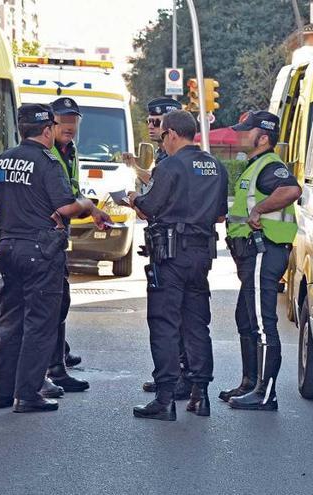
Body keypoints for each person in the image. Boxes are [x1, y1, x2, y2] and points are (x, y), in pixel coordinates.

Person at [0, 104, 106, 413]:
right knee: (40, 324)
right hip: (41, 252)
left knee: (11, 323)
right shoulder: (47, 162)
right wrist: (86, 202)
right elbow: (66, 207)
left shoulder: (4, 160)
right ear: (47, 131)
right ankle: (27, 395)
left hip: (9, 249)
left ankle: (1, 393)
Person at [128, 110, 228, 421]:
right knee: (196, 324)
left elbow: (149, 207)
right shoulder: (216, 167)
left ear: (171, 134)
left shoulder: (169, 166)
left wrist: (133, 198)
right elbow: (221, 215)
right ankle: (200, 396)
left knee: (165, 325)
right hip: (201, 256)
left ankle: (165, 398)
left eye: (164, 134)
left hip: (170, 255)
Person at [224, 111, 301, 411]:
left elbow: (292, 189)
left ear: (263, 137)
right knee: (246, 317)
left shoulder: (271, 166)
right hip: (251, 253)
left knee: (262, 322)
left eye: (247, 131)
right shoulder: (254, 166)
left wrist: (259, 212)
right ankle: (249, 383)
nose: (240, 135)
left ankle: (266, 394)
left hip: (264, 251)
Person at [44, 96, 109, 394]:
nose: (70, 127)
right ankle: (52, 368)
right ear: (50, 123)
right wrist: (88, 208)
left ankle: (56, 362)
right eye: (64, 121)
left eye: (74, 121)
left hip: (57, 238)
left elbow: (73, 191)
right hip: (43, 238)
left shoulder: (70, 152)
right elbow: (61, 200)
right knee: (51, 302)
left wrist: (89, 210)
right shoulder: (45, 152)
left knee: (59, 301)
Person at [136, 97, 192, 400]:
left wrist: (136, 198)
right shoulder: (163, 155)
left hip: (176, 247)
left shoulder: (175, 157)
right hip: (173, 244)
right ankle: (176, 377)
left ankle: (179, 378)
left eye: (157, 123)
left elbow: (157, 198)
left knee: (172, 318)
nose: (152, 127)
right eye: (149, 122)